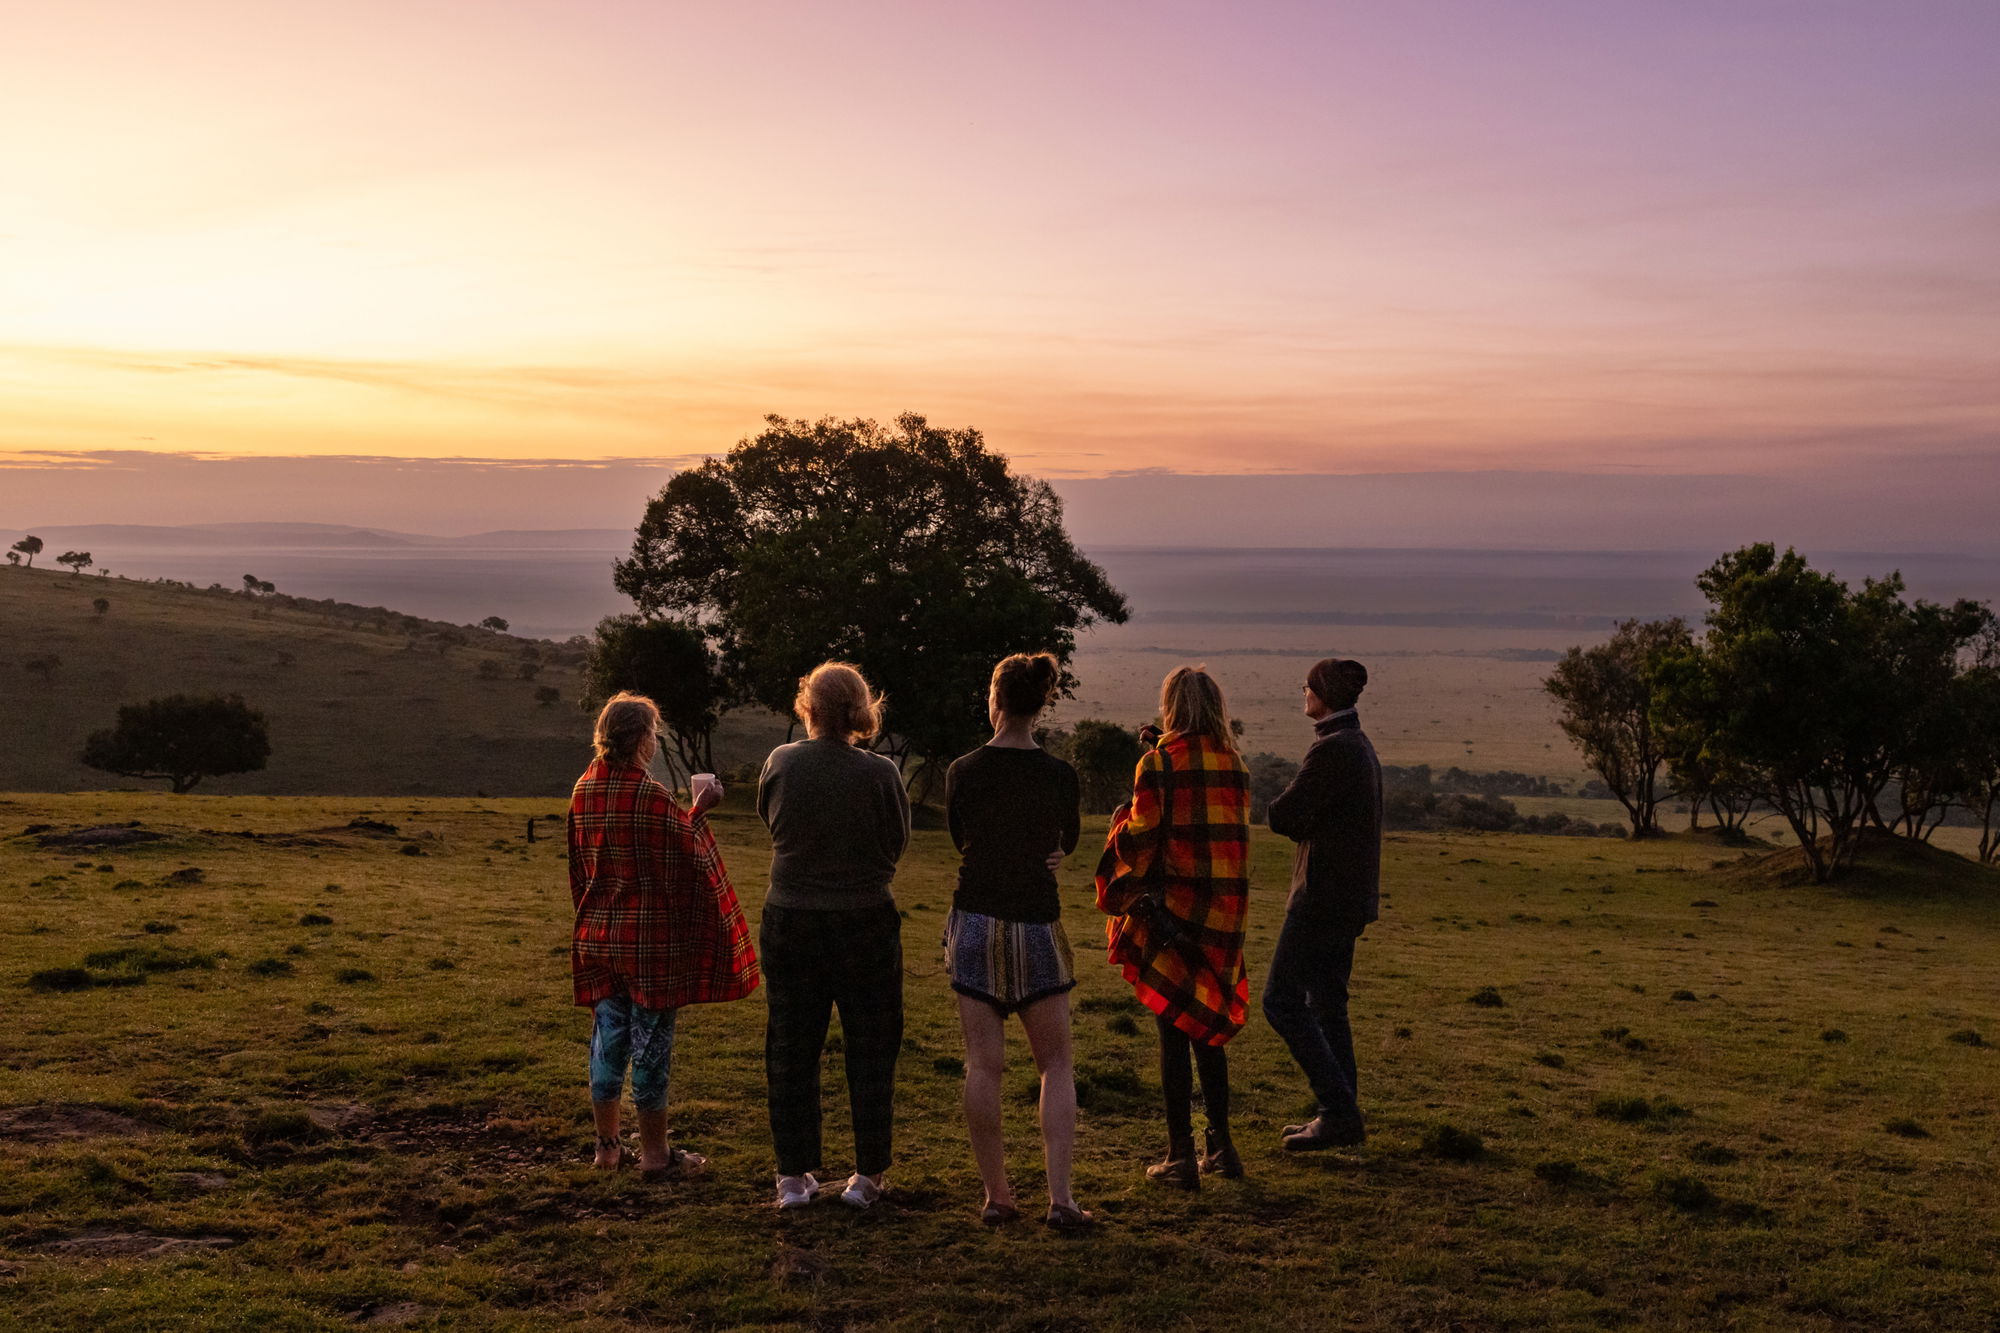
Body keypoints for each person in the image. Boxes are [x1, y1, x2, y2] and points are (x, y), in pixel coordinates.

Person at [568, 691, 759, 1181]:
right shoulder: (649, 795)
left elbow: (580, 866)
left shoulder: (583, 789)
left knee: (607, 1043)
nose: (655, 741)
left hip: (599, 936)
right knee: (650, 1049)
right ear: (640, 738)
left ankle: (607, 1150)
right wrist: (701, 809)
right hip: (649, 946)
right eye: (653, 733)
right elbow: (685, 853)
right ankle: (656, 1156)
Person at [944, 652, 1093, 1229]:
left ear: (995, 700)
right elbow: (1068, 840)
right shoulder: (1059, 775)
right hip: (1036, 922)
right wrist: (1051, 852)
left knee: (984, 1066)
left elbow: (961, 838)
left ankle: (998, 1197)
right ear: (1040, 705)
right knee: (1055, 1064)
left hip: (976, 921)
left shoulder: (963, 770)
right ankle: (1062, 1199)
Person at [757, 662, 912, 1211]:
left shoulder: (781, 761)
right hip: (865, 920)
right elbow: (896, 843)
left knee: (790, 1046)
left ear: (809, 708)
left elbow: (771, 821)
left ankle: (792, 1177)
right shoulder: (880, 773)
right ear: (859, 712)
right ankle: (867, 1176)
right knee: (872, 1047)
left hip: (790, 918)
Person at [1094, 666, 1252, 1189]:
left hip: (1173, 916)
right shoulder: (1235, 764)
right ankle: (1222, 1148)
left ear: (1172, 707)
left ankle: (1180, 1155)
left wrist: (1119, 822)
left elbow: (1143, 835)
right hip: (1222, 919)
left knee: (1173, 1030)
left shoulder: (1158, 764)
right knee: (1208, 1029)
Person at [1262, 657, 1382, 1151]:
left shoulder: (1333, 749)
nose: (1303, 692)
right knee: (1328, 1005)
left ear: (1323, 694)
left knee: (1280, 1001)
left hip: (1321, 897)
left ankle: (1337, 1109)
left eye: (1308, 686)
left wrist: (1302, 822)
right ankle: (1342, 1115)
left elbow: (1281, 815)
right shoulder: (1357, 744)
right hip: (1347, 898)